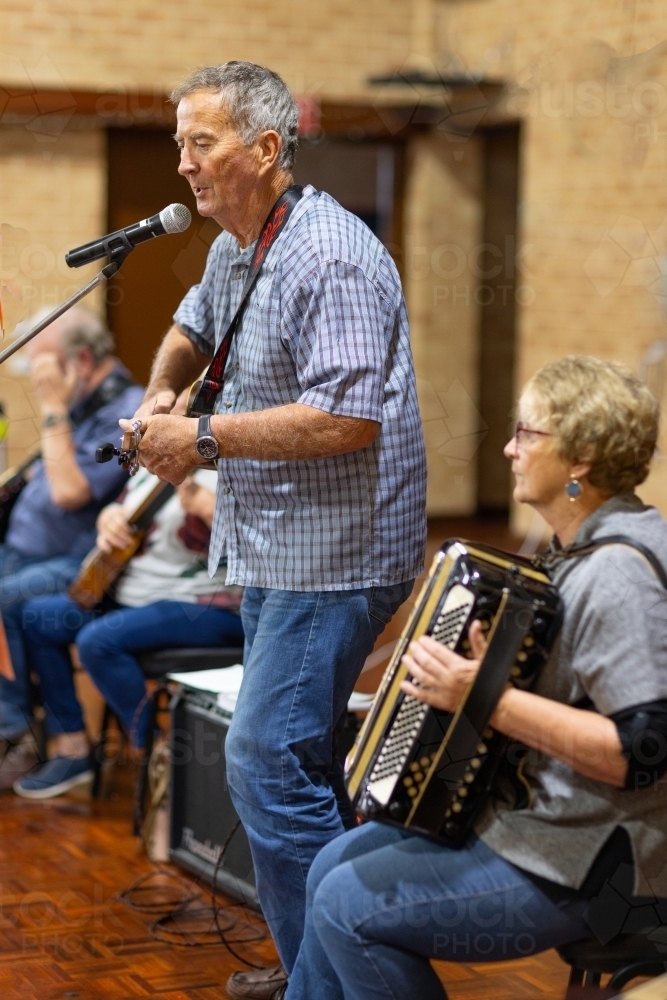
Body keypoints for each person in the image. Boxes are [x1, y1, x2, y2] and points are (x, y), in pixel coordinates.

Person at [122, 60, 426, 996]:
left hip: (335, 556)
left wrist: (200, 437)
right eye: (178, 143)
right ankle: (321, 966)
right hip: (277, 546)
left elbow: (345, 418)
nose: (183, 164)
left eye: (199, 142)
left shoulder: (327, 253)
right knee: (300, 762)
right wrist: (163, 390)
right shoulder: (234, 244)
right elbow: (190, 326)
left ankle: (323, 983)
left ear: (264, 146)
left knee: (263, 762)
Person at [286, 355, 667, 1000]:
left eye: (529, 434)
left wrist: (485, 694)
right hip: (539, 822)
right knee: (329, 866)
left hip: (601, 866)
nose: (512, 449)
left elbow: (643, 752)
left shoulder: (619, 574)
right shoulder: (576, 546)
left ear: (581, 459)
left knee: (349, 907)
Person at [11, 467, 244, 798]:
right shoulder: (156, 462)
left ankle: (163, 757)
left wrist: (207, 509)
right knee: (39, 617)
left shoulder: (237, 469)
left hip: (207, 605)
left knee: (98, 641)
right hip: (132, 593)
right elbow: (120, 506)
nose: (154, 412)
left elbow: (264, 546)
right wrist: (108, 519)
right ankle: (74, 747)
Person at [0, 307, 143, 786]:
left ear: (80, 361)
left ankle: (11, 734)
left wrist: (52, 406)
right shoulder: (83, 408)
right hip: (25, 555)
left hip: (74, 564)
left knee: (7, 601)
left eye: (44, 367)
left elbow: (68, 494)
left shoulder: (126, 411)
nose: (38, 381)